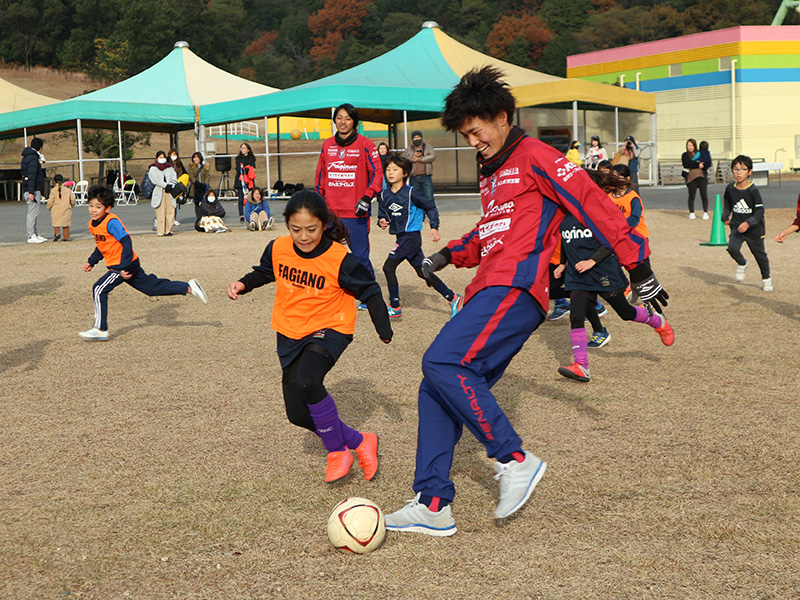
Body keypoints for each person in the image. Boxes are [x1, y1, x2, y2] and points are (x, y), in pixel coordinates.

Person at [383, 66, 669, 536]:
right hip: (488, 285)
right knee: (436, 386)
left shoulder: (538, 155)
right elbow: (493, 227)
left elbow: (593, 203)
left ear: (500, 116)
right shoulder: (491, 170)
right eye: (465, 135)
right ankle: (432, 503)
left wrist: (639, 268)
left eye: (476, 132)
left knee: (441, 363)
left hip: (517, 287)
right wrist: (448, 254)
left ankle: (513, 458)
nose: (473, 141)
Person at [226, 190, 393, 483]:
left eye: (311, 229)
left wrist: (383, 329)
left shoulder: (340, 258)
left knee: (308, 380)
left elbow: (370, 290)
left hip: (331, 327)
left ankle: (337, 452)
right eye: (296, 229)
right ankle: (360, 441)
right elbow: (266, 271)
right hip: (290, 330)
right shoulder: (278, 247)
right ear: (287, 226)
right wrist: (243, 283)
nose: (304, 236)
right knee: (298, 415)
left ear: (325, 224)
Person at [554, 171, 674, 383]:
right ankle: (582, 366)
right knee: (576, 315)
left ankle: (657, 321)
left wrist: (593, 260)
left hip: (603, 271)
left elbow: (612, 239)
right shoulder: (564, 210)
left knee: (625, 312)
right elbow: (566, 239)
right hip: (578, 274)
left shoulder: (599, 210)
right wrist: (562, 264)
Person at [79, 185, 207, 341]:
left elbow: (126, 241)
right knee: (151, 288)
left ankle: (100, 328)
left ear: (108, 208)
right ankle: (188, 287)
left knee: (99, 288)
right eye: (91, 205)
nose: (93, 210)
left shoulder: (111, 221)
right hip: (125, 265)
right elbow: (102, 245)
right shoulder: (92, 224)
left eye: (98, 207)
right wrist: (92, 261)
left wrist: (123, 268)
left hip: (123, 265)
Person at [377, 154, 463, 319]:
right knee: (423, 272)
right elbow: (383, 214)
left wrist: (434, 227)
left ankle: (394, 305)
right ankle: (452, 297)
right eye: (388, 169)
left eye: (395, 169)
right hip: (401, 237)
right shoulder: (384, 195)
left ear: (405, 173)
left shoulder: (412, 193)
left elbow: (430, 206)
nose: (390, 172)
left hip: (411, 238)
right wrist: (381, 221)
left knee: (388, 267)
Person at [314, 103, 383, 285]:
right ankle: (331, 294)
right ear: (335, 120)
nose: (343, 122)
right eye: (339, 118)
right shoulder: (327, 145)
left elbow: (377, 174)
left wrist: (367, 197)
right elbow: (321, 177)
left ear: (354, 122)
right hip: (330, 213)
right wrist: (318, 202)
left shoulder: (366, 144)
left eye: (348, 118)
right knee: (326, 255)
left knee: (360, 257)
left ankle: (369, 295)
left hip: (355, 212)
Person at [722, 155, 772, 291]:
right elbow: (727, 204)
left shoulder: (753, 190)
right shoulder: (730, 188)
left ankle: (766, 279)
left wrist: (748, 223)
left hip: (754, 229)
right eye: (736, 169)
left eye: (743, 169)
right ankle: (742, 263)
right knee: (732, 248)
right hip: (737, 227)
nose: (739, 172)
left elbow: (760, 212)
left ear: (749, 172)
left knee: (759, 255)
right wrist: (725, 216)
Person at [21, 136, 47, 244]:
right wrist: (31, 192)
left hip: (31, 188)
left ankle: (35, 233)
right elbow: (32, 175)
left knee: (35, 212)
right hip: (32, 189)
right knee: (33, 212)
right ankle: (31, 235)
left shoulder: (28, 156)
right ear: (40, 148)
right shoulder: (33, 158)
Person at [401, 130, 436, 203]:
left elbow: (433, 156)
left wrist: (420, 159)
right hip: (414, 177)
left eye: (418, 137)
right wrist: (413, 157)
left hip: (426, 176)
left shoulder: (427, 147)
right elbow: (403, 159)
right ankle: (420, 214)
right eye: (415, 138)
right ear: (412, 139)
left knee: (429, 197)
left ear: (421, 138)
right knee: (416, 198)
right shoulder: (408, 149)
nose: (417, 139)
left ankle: (431, 214)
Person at [149, 151, 178, 237]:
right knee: (160, 213)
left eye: (163, 157)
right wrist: (165, 185)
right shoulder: (153, 168)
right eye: (160, 157)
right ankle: (161, 231)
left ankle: (169, 230)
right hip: (159, 191)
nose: (162, 159)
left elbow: (174, 178)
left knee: (170, 211)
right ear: (156, 158)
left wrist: (171, 185)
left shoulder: (170, 168)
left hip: (170, 192)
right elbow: (155, 180)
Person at [682, 138, 709, 220]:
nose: (690, 147)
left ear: (695, 146)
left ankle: (705, 212)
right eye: (688, 145)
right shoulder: (685, 155)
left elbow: (707, 163)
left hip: (701, 176)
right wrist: (697, 164)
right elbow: (687, 163)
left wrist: (701, 164)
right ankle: (692, 212)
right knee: (691, 195)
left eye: (691, 145)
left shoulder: (700, 153)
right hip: (691, 177)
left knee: (704, 195)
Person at [47, 174, 76, 241]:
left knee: (56, 223)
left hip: (56, 209)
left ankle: (57, 233)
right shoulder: (68, 190)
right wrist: (72, 205)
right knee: (65, 224)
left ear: (54, 181)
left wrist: (49, 207)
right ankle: (66, 237)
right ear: (63, 181)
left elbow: (50, 200)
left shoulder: (53, 190)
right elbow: (73, 199)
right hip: (66, 209)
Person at [235, 143, 256, 223]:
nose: (243, 149)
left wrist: (246, 169)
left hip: (249, 180)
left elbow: (252, 168)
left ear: (248, 149)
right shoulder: (238, 158)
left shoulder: (252, 158)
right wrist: (245, 169)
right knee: (240, 198)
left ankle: (251, 213)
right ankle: (241, 215)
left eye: (244, 148)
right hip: (240, 180)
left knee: (250, 197)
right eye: (242, 148)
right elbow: (238, 169)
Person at [188, 151, 212, 219]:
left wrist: (206, 183)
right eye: (194, 157)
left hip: (204, 187)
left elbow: (207, 175)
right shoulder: (191, 167)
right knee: (197, 204)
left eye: (197, 157)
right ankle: (198, 218)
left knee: (205, 203)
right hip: (196, 188)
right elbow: (191, 176)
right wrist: (196, 182)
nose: (195, 159)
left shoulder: (205, 167)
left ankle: (205, 217)